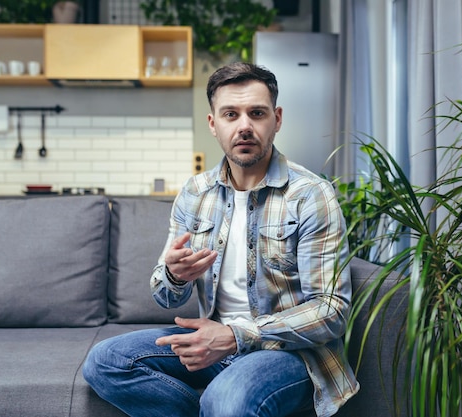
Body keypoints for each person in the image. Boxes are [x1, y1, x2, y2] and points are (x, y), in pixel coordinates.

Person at [82, 62, 358, 417]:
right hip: (214, 346)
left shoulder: (311, 196)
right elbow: (164, 296)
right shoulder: (196, 193)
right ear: (214, 124)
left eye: (256, 113)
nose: (244, 126)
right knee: (106, 362)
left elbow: (331, 311)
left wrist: (235, 335)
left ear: (276, 119)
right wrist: (174, 275)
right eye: (231, 114)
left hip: (288, 353)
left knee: (225, 401)